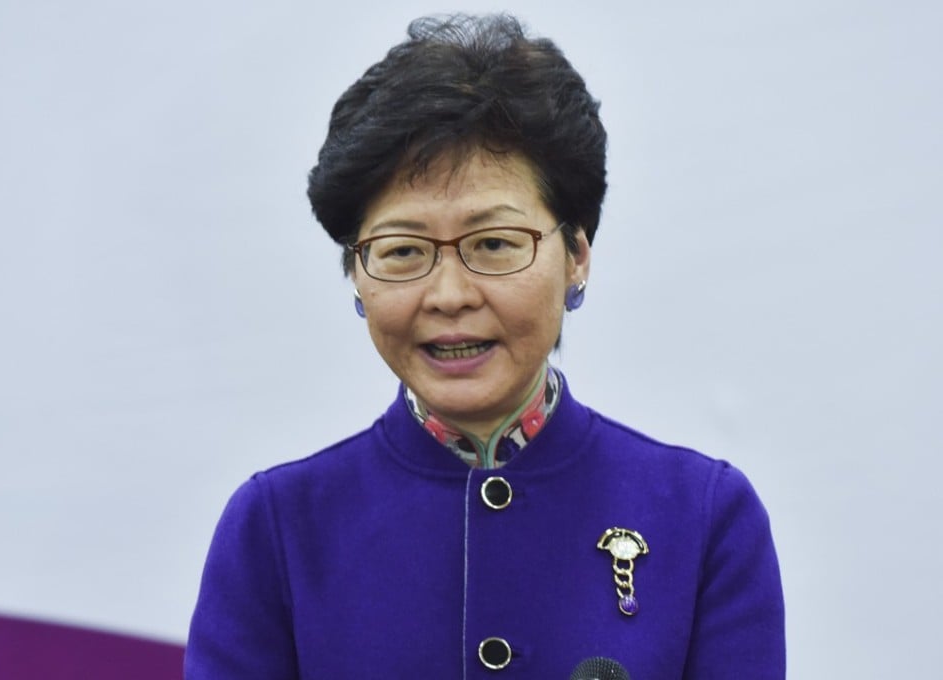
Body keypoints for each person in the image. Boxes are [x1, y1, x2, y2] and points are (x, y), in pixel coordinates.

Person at [185, 14, 785, 679]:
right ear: (357, 273)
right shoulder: (277, 528)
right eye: (403, 251)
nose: (448, 295)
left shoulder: (703, 516)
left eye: (494, 244)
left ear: (577, 254)